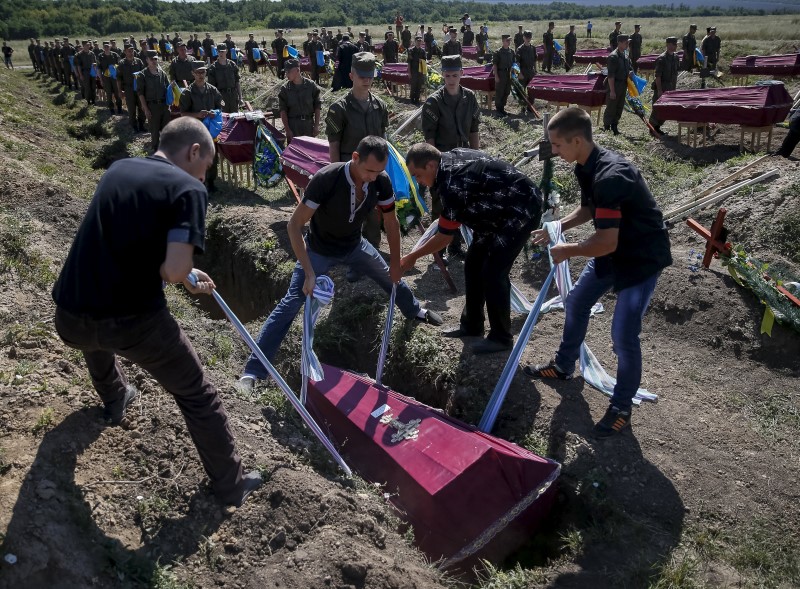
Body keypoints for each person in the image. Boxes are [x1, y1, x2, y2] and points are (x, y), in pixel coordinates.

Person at [52, 117, 263, 506]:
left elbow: (136, 244)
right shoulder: (189, 190)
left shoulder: (121, 168)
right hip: (133, 323)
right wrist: (182, 274)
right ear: (194, 151)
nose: (204, 177)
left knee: (97, 330)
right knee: (198, 394)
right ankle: (230, 485)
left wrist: (182, 274)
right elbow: (172, 269)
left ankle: (115, 398)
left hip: (69, 312)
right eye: (205, 167)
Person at [236, 136, 443, 391]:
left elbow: (391, 223)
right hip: (319, 250)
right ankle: (253, 371)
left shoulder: (381, 181)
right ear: (355, 158)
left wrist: (397, 264)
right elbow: (294, 225)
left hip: (355, 246)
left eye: (379, 171)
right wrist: (309, 272)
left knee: (389, 276)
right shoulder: (326, 179)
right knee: (291, 303)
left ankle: (414, 310)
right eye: (369, 170)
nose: (372, 177)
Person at [524, 107, 672, 437]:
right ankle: (564, 366)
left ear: (577, 140)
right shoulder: (586, 166)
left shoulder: (610, 176)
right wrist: (557, 226)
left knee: (623, 336)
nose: (555, 151)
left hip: (640, 258)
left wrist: (569, 249)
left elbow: (605, 241)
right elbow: (590, 209)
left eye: (557, 145)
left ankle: (621, 406)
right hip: (614, 249)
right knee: (576, 303)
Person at [403, 143, 543, 354]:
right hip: (494, 211)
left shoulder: (452, 182)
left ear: (431, 165)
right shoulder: (447, 160)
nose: (418, 181)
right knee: (473, 263)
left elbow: (443, 238)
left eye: (418, 175)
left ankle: (501, 337)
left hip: (520, 210)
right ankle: (472, 325)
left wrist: (412, 257)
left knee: (493, 272)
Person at [326, 52, 388, 255]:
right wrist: (335, 175)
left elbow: (383, 140)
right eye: (362, 76)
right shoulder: (339, 109)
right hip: (349, 170)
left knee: (372, 214)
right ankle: (350, 256)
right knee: (350, 215)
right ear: (351, 75)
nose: (367, 80)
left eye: (370, 75)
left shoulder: (380, 106)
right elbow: (334, 144)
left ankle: (372, 253)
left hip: (373, 172)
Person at [421, 54, 480, 259]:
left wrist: (477, 157)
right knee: (441, 206)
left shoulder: (470, 97)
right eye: (447, 75)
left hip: (464, 159)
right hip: (442, 159)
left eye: (455, 75)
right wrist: (436, 168)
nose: (451, 79)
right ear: (443, 75)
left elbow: (474, 130)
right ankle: (438, 251)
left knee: (462, 205)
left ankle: (456, 246)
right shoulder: (433, 103)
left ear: (462, 74)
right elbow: (430, 139)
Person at [180, 64, 223, 191]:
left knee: (212, 157)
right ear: (193, 73)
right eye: (198, 72)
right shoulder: (188, 93)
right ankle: (198, 183)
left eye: (203, 72)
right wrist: (197, 114)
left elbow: (219, 108)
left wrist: (214, 112)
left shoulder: (213, 90)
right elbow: (183, 113)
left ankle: (211, 182)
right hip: (195, 130)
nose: (201, 75)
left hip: (210, 130)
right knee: (197, 158)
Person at [279, 58, 321, 142]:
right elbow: (283, 111)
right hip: (293, 126)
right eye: (285, 72)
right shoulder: (285, 89)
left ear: (297, 70)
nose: (286, 74)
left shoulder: (311, 86)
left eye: (289, 72)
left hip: (308, 125)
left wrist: (316, 126)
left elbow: (317, 106)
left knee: (309, 152)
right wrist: (287, 130)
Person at [137, 50, 171, 152]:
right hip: (152, 106)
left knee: (166, 130)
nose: (154, 61)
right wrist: (145, 109)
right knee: (154, 131)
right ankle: (155, 150)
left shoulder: (162, 73)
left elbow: (167, 89)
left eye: (155, 59)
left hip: (164, 105)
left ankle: (166, 151)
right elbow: (140, 93)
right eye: (152, 59)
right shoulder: (142, 75)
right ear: (147, 60)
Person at [649, 37, 680, 135]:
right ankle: (653, 128)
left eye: (676, 44)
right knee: (658, 108)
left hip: (671, 87)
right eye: (674, 44)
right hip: (662, 86)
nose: (676, 46)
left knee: (667, 109)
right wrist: (659, 90)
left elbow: (675, 74)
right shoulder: (662, 58)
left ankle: (658, 126)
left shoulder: (675, 57)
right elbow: (658, 76)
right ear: (668, 45)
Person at [603, 34, 632, 135]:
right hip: (614, 84)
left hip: (623, 84)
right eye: (626, 43)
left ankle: (615, 126)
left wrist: (630, 72)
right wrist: (612, 91)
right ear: (619, 43)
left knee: (619, 106)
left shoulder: (626, 53)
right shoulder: (613, 56)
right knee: (611, 106)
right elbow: (610, 75)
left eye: (628, 42)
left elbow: (629, 66)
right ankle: (607, 127)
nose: (628, 44)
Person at [117, 45, 146, 133]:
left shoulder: (139, 61)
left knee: (141, 107)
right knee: (131, 108)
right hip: (128, 88)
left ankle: (141, 125)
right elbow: (118, 79)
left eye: (132, 51)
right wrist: (119, 91)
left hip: (139, 88)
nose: (131, 53)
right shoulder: (122, 64)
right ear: (125, 52)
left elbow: (144, 75)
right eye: (129, 51)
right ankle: (134, 127)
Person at [207, 45, 241, 114]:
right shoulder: (213, 68)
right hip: (221, 96)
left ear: (226, 51)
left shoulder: (232, 65)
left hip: (233, 95)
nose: (221, 53)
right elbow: (211, 87)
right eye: (219, 51)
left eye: (222, 51)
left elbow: (237, 82)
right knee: (224, 118)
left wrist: (240, 97)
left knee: (235, 117)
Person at [492, 34, 515, 115]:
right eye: (507, 40)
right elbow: (495, 65)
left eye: (509, 40)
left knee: (507, 91)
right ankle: (498, 109)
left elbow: (514, 64)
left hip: (508, 74)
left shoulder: (511, 52)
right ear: (503, 41)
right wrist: (496, 76)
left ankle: (502, 107)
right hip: (501, 73)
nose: (509, 42)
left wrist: (514, 74)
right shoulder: (498, 52)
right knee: (500, 92)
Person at [97, 42, 123, 114]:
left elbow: (120, 64)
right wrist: (101, 80)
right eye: (105, 47)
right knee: (108, 94)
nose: (106, 48)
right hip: (106, 78)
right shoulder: (100, 56)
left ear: (110, 47)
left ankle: (119, 107)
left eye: (107, 46)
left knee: (117, 92)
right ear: (103, 47)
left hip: (115, 77)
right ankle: (111, 108)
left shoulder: (115, 55)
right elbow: (99, 69)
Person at [407, 35, 427, 105]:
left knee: (419, 86)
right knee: (413, 86)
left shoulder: (423, 51)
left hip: (420, 71)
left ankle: (417, 99)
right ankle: (412, 99)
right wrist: (409, 72)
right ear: (415, 42)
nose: (419, 42)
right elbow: (409, 62)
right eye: (417, 41)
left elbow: (425, 61)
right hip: (413, 71)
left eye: (420, 41)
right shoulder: (411, 50)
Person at [75, 41, 97, 105]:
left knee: (93, 86)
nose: (88, 46)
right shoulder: (79, 54)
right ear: (83, 46)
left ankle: (93, 100)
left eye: (88, 45)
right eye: (86, 45)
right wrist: (80, 75)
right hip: (85, 72)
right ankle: (88, 100)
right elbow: (78, 66)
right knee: (87, 87)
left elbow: (95, 63)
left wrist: (95, 73)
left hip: (92, 71)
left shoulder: (92, 53)